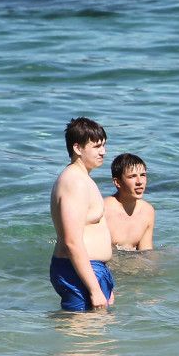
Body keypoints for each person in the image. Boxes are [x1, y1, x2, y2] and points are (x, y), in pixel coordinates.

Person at [50, 117, 114, 311]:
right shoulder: (74, 182)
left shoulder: (83, 178)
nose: (103, 152)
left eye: (103, 145)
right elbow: (71, 241)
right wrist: (94, 288)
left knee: (96, 338)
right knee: (83, 339)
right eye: (96, 146)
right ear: (77, 148)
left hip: (89, 270)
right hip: (78, 272)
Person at [103, 153, 155, 251]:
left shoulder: (147, 211)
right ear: (117, 182)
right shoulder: (103, 210)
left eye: (143, 175)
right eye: (132, 176)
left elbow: (145, 253)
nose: (139, 181)